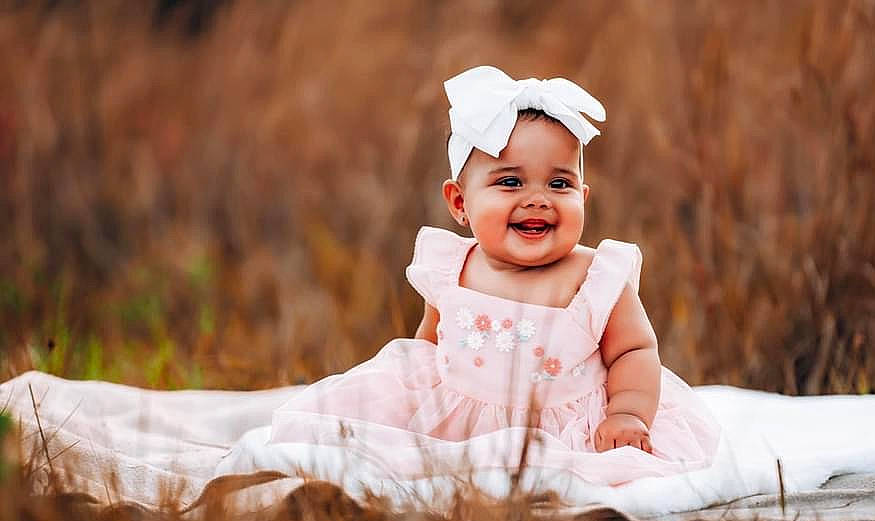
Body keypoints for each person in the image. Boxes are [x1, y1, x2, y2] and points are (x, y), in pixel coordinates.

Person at [267, 66, 720, 484]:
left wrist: (626, 412)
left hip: (564, 430)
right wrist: (406, 402)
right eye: (510, 182)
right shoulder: (453, 269)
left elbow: (635, 350)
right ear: (460, 203)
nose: (538, 199)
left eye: (559, 184)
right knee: (367, 445)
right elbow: (427, 348)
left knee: (587, 483)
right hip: (460, 419)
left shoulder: (595, 277)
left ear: (583, 195)